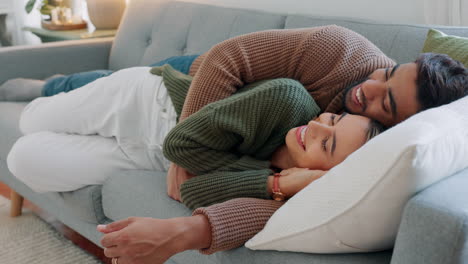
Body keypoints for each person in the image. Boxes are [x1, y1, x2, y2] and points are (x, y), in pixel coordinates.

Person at [93, 26, 467, 264]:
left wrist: (197, 226)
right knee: (89, 84)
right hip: (200, 74)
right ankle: (55, 83)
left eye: (383, 104)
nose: (366, 89)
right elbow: (227, 58)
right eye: (387, 74)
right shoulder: (343, 52)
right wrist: (183, 151)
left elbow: (286, 199)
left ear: (399, 125)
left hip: (223, 120)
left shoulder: (366, 149)